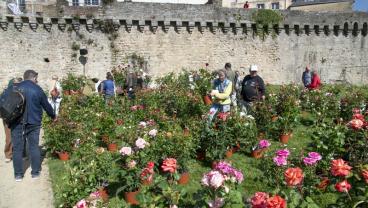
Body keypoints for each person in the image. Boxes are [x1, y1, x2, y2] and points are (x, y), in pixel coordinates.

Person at [11, 70, 56, 181]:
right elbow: (46, 105)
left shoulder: (14, 88)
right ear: (33, 77)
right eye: (36, 78)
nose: (37, 80)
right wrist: (53, 116)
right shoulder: (37, 89)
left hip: (16, 122)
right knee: (33, 146)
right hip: (34, 122)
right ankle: (35, 173)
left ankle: (18, 175)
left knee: (17, 148)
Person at [2, 77, 22, 163]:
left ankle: (10, 155)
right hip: (12, 117)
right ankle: (11, 154)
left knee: (12, 136)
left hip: (10, 117)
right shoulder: (18, 91)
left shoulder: (5, 92)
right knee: (14, 136)